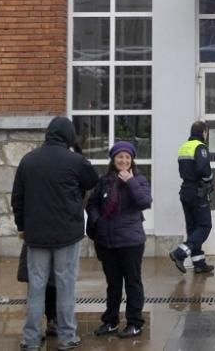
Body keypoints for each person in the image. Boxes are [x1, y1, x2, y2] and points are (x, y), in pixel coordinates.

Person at [12, 116, 99, 351]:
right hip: (67, 234)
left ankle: (30, 338)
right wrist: (78, 151)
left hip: (36, 235)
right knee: (65, 286)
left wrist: (22, 227)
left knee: (36, 287)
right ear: (69, 136)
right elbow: (92, 180)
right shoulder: (74, 161)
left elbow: (17, 198)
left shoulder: (28, 160)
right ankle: (67, 337)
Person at [87, 141, 151, 339]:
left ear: (132, 160)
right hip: (107, 240)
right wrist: (96, 219)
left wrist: (130, 181)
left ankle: (134, 323)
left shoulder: (138, 179)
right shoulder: (104, 180)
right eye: (119, 157)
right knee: (113, 284)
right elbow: (92, 203)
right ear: (113, 159)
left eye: (127, 157)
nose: (123, 161)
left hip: (130, 241)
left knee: (132, 282)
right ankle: (111, 321)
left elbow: (144, 202)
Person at [169, 120, 215, 274]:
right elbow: (203, 169)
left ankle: (199, 263)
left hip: (186, 190)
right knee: (205, 226)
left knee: (193, 228)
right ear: (204, 132)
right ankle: (179, 253)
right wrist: (209, 179)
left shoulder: (184, 147)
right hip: (198, 191)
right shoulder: (200, 147)